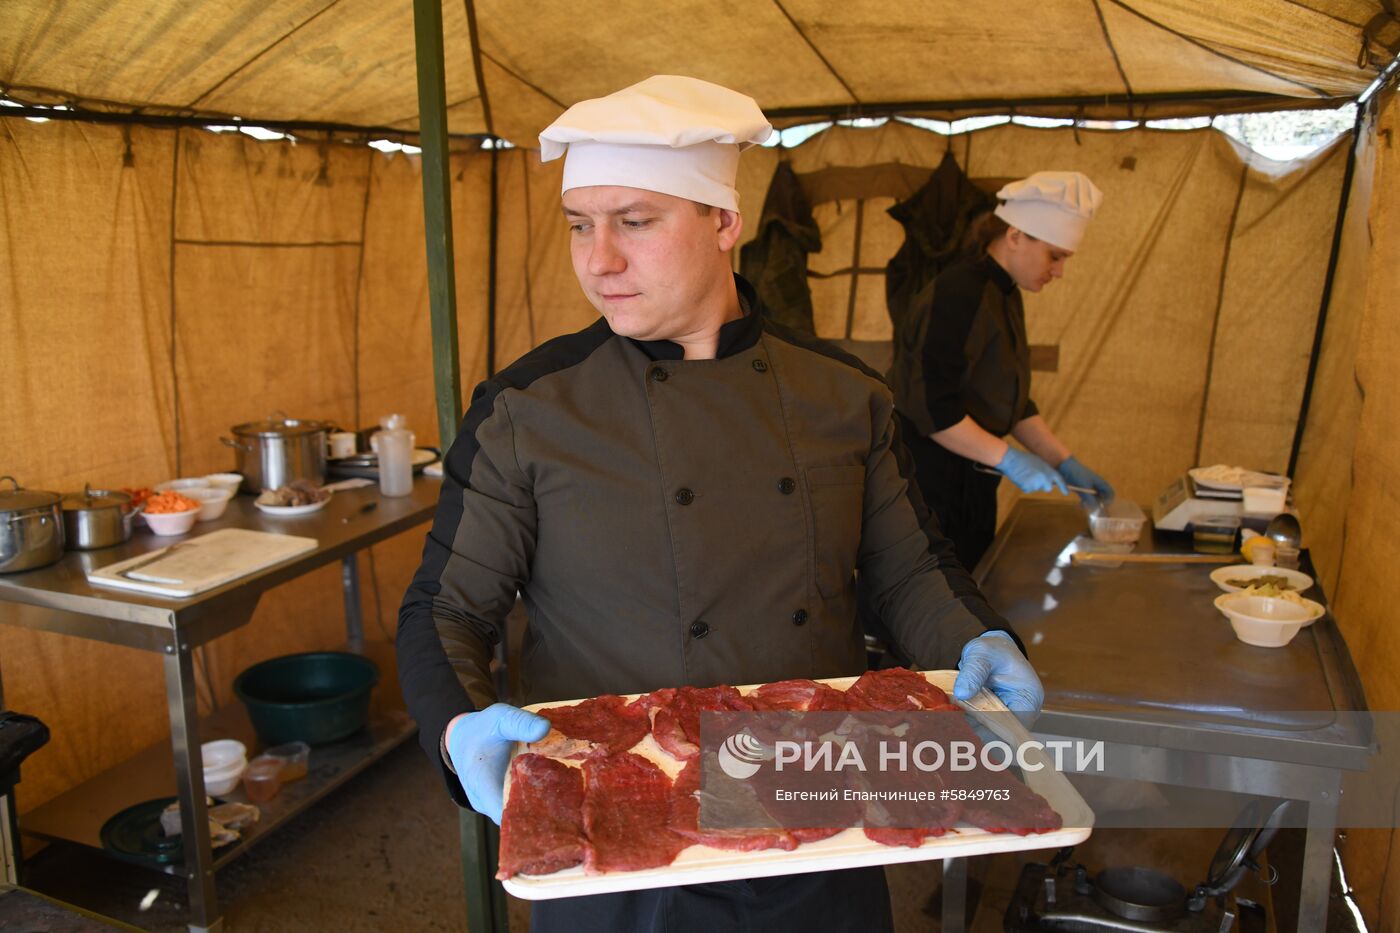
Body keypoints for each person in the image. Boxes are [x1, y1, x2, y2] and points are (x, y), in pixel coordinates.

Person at [397, 75, 1045, 933]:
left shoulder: (844, 396)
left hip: (818, 825)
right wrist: (456, 726)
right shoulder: (530, 409)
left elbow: (909, 566)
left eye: (635, 221)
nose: (600, 260)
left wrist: (975, 635)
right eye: (580, 225)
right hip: (613, 843)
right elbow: (445, 605)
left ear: (724, 224)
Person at [889, 172, 1116, 570]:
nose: (1059, 271)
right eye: (1055, 256)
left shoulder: (1003, 294)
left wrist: (1063, 460)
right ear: (1015, 237)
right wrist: (1009, 458)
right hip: (928, 486)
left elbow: (1010, 399)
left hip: (971, 482)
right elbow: (931, 405)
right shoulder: (959, 293)